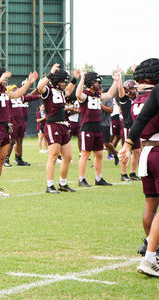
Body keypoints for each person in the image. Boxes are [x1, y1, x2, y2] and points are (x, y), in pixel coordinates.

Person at [118, 58, 159, 276]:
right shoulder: (155, 93)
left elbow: (140, 121)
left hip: (144, 152)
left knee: (150, 205)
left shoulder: (137, 100)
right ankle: (151, 255)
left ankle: (151, 247)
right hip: (158, 150)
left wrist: (127, 144)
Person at [0, 66, 38, 197]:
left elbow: (18, 94)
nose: (6, 81)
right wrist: (0, 79)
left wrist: (29, 82)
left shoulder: (4, 92)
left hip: (5, 126)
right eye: (4, 78)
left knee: (1, 158)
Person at [35, 63, 80, 193]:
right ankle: (49, 185)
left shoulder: (61, 92)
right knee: (53, 155)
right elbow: (39, 86)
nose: (64, 84)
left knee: (68, 157)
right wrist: (50, 73)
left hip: (63, 125)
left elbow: (69, 90)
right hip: (52, 125)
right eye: (62, 82)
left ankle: (63, 184)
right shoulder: (48, 90)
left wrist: (75, 78)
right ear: (56, 81)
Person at [75, 70, 122, 187]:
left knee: (100, 154)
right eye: (96, 82)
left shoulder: (97, 95)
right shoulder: (85, 94)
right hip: (87, 128)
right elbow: (77, 94)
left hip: (97, 128)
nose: (98, 84)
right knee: (85, 155)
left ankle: (98, 178)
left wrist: (116, 80)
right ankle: (81, 179)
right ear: (90, 82)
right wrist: (81, 79)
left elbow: (110, 94)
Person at [5, 82, 40, 167]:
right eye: (13, 89)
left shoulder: (20, 98)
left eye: (16, 89)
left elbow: (30, 97)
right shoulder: (7, 98)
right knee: (11, 141)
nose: (15, 90)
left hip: (21, 121)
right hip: (12, 121)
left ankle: (19, 158)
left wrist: (41, 96)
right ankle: (6, 159)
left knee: (20, 140)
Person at [119, 79, 141, 181]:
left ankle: (132, 173)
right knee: (125, 151)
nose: (134, 90)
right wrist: (118, 79)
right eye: (132, 88)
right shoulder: (124, 100)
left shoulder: (137, 99)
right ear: (127, 89)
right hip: (127, 128)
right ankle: (123, 174)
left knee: (137, 151)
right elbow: (120, 91)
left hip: (136, 128)